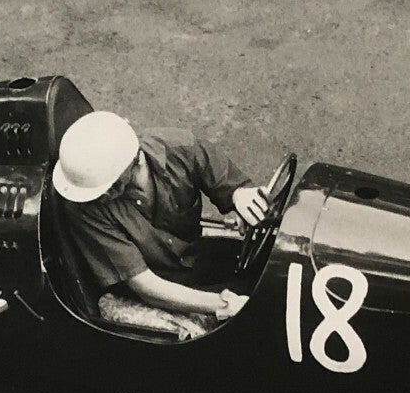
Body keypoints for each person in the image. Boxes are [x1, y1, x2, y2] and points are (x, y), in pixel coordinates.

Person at [51, 110, 267, 338]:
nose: (101, 197)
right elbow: (146, 287)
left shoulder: (183, 149)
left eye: (108, 188)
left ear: (134, 159)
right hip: (152, 293)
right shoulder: (84, 207)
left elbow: (231, 185)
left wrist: (239, 196)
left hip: (197, 261)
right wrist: (225, 305)